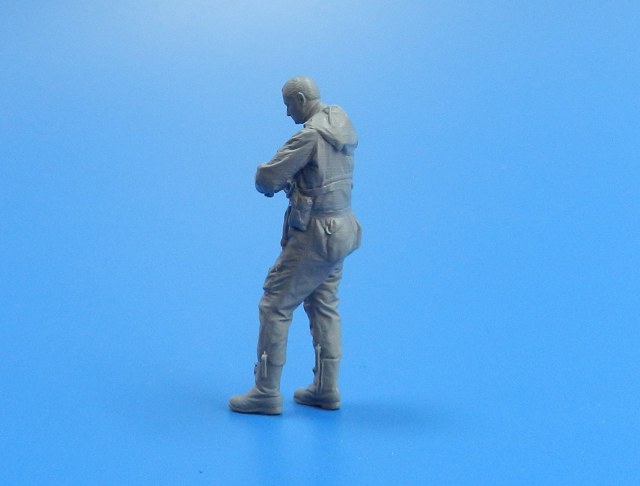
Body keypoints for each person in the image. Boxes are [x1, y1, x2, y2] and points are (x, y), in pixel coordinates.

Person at [229, 76, 362, 415]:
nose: (288, 113)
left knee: (275, 304)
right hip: (342, 228)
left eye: (289, 105)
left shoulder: (310, 135)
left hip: (315, 234)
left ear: (301, 99)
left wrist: (270, 178)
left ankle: (265, 391)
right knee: (324, 304)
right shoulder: (341, 126)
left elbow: (268, 178)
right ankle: (326, 388)